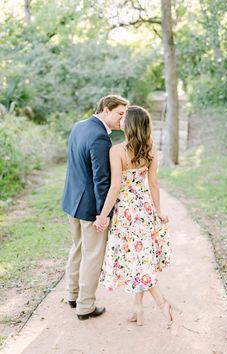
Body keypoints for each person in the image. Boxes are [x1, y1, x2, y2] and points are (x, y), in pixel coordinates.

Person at [94, 105, 173, 327]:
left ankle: (161, 304)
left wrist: (102, 215)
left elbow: (115, 187)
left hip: (127, 213)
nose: (120, 121)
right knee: (142, 257)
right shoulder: (150, 149)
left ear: (129, 125)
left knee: (139, 261)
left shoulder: (117, 151)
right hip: (145, 209)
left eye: (124, 119)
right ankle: (137, 308)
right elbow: (153, 184)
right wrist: (158, 211)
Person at [61, 95, 129, 320]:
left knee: (78, 248)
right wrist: (104, 214)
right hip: (91, 208)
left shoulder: (79, 127)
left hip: (72, 202)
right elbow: (102, 180)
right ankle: (85, 306)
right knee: (92, 256)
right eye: (120, 114)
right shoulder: (100, 138)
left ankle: (72, 295)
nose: (122, 119)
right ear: (106, 109)